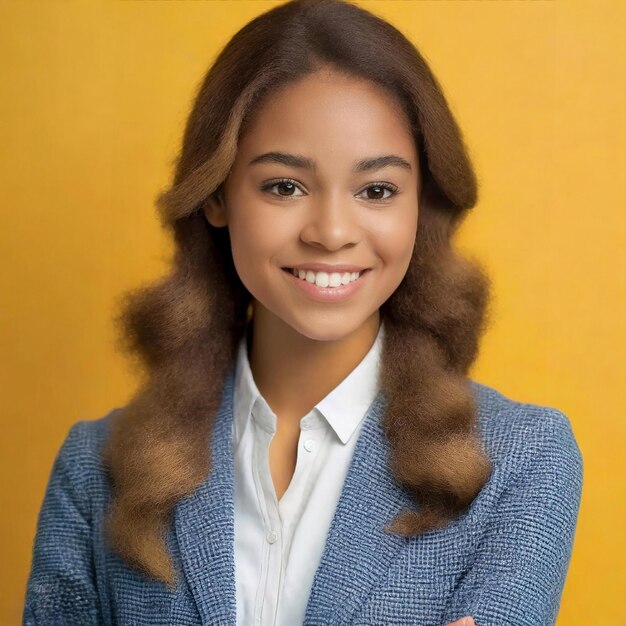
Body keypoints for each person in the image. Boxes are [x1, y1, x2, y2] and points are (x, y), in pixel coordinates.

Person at [23, 1, 583, 625]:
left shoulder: (524, 460)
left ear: (420, 204)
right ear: (215, 194)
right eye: (284, 186)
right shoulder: (94, 470)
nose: (332, 231)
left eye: (376, 190)